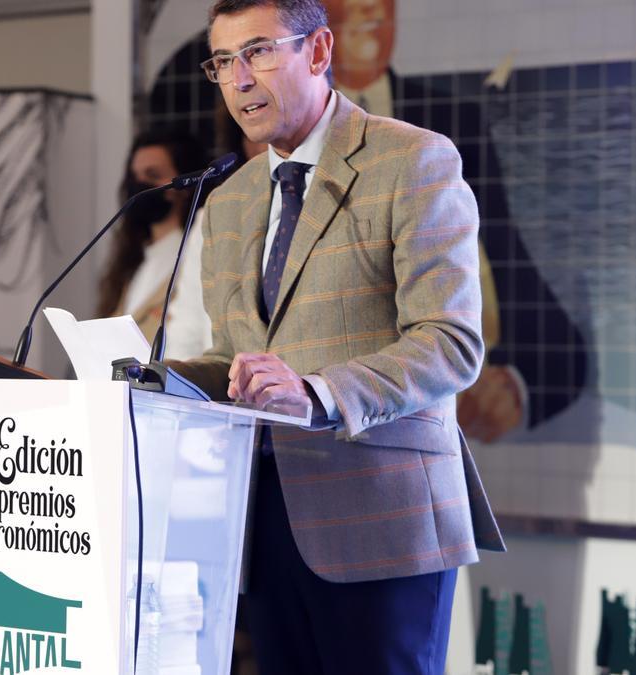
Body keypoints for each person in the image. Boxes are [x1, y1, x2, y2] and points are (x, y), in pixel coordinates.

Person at [170, 0, 504, 671]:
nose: (239, 80)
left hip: (383, 521)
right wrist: (145, 382)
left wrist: (317, 393)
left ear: (318, 52)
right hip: (263, 528)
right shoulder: (228, 202)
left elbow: (449, 339)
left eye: (258, 52)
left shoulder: (411, 160)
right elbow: (232, 357)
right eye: (224, 62)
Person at [322, 0, 590, 442]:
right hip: (330, 397)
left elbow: (501, 253)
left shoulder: (453, 122)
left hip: (437, 396)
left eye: (381, 4)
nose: (370, 12)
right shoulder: (294, 137)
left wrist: (519, 383)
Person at [96, 129, 213, 361]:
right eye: (135, 176)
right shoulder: (131, 262)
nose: (140, 184)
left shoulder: (196, 251)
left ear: (185, 185)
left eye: (153, 175)